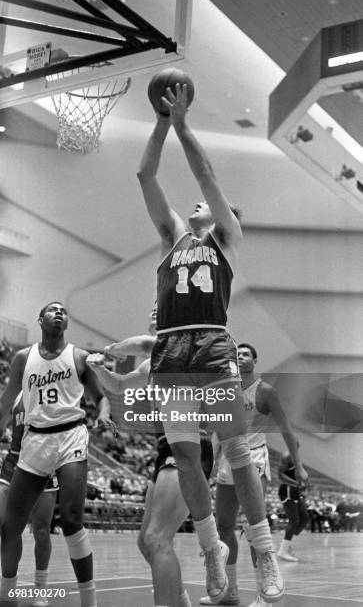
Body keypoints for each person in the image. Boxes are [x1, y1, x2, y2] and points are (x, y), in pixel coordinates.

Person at [137, 82, 284, 604]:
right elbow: (145, 175)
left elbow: (205, 175)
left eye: (212, 204)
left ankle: (263, 548)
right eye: (197, 204)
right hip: (172, 351)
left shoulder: (227, 238)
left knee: (237, 451)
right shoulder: (172, 236)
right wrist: (159, 121)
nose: (199, 203)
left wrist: (182, 123)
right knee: (185, 456)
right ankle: (208, 552)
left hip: (211, 347)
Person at [87, 314, 214, 607]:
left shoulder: (184, 345)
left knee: (158, 538)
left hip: (189, 445)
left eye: (162, 307)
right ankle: (181, 601)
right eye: (153, 310)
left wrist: (113, 348)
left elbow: (145, 345)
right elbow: (118, 385)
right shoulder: (151, 363)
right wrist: (97, 368)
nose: (155, 311)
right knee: (146, 542)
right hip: (164, 449)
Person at [0, 301, 114, 607]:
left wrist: (103, 415)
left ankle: (88, 601)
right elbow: (6, 401)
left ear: (66, 323)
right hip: (34, 441)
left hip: (70, 435)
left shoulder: (78, 357)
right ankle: (8, 595)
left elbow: (102, 398)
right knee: (10, 526)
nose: (59, 312)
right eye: (52, 309)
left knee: (72, 519)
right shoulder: (23, 358)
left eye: (63, 310)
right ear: (40, 319)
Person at [199, 342, 308, 606]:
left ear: (255, 361)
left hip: (254, 458)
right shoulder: (224, 390)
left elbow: (286, 430)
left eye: (246, 353)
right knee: (223, 527)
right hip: (227, 458)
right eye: (238, 353)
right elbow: (215, 429)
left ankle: (264, 594)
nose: (240, 356)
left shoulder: (265, 391)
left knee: (252, 527)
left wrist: (300, 465)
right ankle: (230, 592)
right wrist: (211, 463)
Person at [0, 392, 58, 607]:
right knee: (7, 527)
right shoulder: (16, 394)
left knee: (42, 531)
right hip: (13, 463)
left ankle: (41, 590)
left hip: (43, 464)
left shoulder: (54, 391)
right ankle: (8, 588)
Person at [277, 450, 309, 561]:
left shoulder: (297, 458)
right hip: (287, 490)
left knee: (304, 518)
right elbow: (280, 475)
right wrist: (296, 483)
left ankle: (286, 542)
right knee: (294, 520)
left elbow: (300, 475)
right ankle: (283, 550)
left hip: (295, 491)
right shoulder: (286, 456)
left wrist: (304, 485)